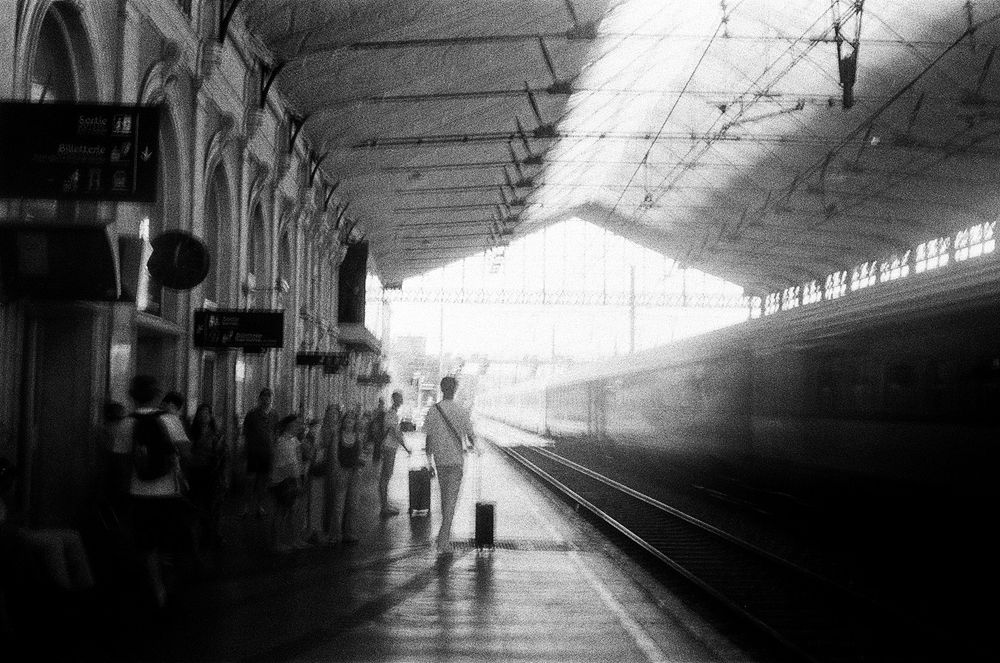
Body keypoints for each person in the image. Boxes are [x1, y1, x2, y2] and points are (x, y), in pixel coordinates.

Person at [118, 374, 190, 607]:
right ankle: (170, 582)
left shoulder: (126, 422)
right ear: (157, 394)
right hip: (169, 491)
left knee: (146, 543)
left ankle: (156, 588)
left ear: (133, 395)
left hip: (139, 491)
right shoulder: (170, 420)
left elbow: (120, 460)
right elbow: (187, 453)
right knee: (170, 540)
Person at [423, 376, 478, 553]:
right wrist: (476, 447)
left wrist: (429, 462)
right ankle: (443, 541)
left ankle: (443, 536)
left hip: (440, 461)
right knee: (450, 502)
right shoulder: (461, 410)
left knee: (444, 499)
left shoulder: (433, 410)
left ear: (441, 389)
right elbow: (470, 435)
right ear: (455, 390)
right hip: (455, 461)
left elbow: (429, 438)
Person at [188, 403, 226, 545]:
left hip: (212, 472)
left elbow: (222, 456)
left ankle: (214, 533)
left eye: (206, 413)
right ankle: (203, 533)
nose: (203, 416)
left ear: (210, 416)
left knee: (213, 505)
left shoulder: (216, 435)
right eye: (201, 413)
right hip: (196, 472)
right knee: (199, 504)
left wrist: (224, 477)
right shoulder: (192, 433)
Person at [330, 406, 364, 544]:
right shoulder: (338, 436)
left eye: (352, 420)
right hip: (342, 471)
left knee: (353, 504)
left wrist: (360, 468)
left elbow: (360, 454)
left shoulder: (358, 437)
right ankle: (336, 533)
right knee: (339, 504)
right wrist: (337, 469)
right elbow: (334, 454)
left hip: (354, 472)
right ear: (343, 421)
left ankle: (350, 532)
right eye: (347, 419)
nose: (349, 422)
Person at [269, 415, 304, 552]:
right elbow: (287, 465)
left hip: (291, 480)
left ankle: (293, 539)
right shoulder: (282, 442)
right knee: (282, 511)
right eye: (296, 424)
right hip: (283, 481)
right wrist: (297, 480)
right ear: (289, 425)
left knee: (291, 511)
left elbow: (297, 459)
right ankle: (277, 542)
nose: (298, 427)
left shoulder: (293, 440)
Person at [242, 388, 278, 518]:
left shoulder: (274, 415)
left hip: (267, 452)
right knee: (250, 480)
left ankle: (259, 506)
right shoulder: (252, 414)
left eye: (268, 398)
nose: (266, 400)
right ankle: (246, 506)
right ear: (260, 399)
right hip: (253, 452)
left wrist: (274, 449)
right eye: (264, 397)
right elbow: (246, 433)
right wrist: (245, 452)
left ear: (271, 399)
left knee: (263, 481)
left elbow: (275, 432)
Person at [378, 391, 412, 517]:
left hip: (389, 446)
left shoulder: (392, 413)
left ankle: (385, 504)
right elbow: (394, 432)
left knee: (386, 475)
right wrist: (406, 447)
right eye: (400, 398)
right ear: (395, 399)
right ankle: (384, 507)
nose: (401, 401)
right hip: (389, 447)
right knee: (386, 476)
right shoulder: (391, 414)